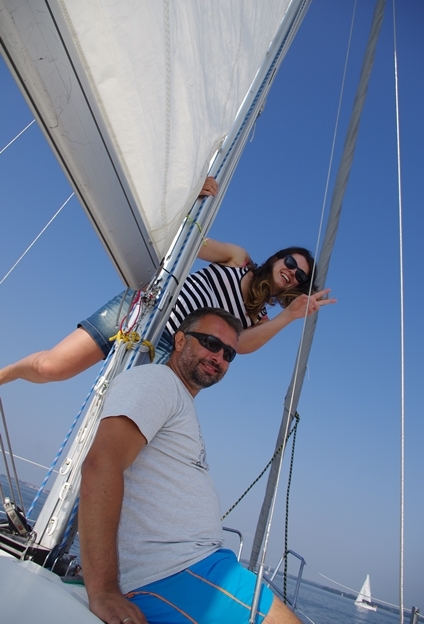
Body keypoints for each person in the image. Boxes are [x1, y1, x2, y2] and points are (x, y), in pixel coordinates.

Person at [79, 307, 302, 624]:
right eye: (211, 343)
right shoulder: (158, 381)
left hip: (197, 568)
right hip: (176, 572)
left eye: (228, 353)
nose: (219, 357)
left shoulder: (177, 398)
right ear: (180, 341)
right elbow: (101, 464)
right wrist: (103, 589)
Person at [0, 177, 335, 386]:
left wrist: (289, 317)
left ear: (296, 286)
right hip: (144, 309)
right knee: (51, 368)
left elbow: (242, 346)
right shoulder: (239, 259)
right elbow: (190, 242)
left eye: (300, 275)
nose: (292, 271)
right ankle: (9, 372)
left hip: (170, 348)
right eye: (290, 262)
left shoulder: (258, 319)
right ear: (277, 258)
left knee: (115, 416)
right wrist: (192, 197)